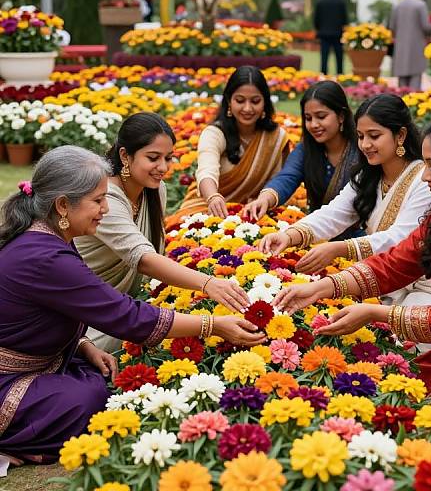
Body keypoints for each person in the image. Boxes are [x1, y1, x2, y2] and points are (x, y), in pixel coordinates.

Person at [0, 146, 266, 466]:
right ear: (62, 206)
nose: (105, 209)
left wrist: (84, 346)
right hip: (9, 379)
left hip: (40, 363)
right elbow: (126, 316)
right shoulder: (45, 255)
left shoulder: (49, 237)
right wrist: (213, 325)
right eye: (98, 200)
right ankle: (15, 442)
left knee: (103, 376)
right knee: (90, 401)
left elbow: (56, 308)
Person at [273, 110, 431, 463]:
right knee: (385, 399)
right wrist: (323, 288)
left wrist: (374, 313)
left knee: (414, 426)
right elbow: (395, 263)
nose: (426, 177)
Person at [75, 113, 250, 352]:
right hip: (91, 311)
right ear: (125, 155)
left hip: (133, 303)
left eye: (168, 158)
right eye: (153, 158)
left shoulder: (156, 191)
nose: (164, 168)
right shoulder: (105, 199)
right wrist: (208, 283)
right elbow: (144, 259)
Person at [259, 94, 431, 307]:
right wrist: (289, 236)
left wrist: (339, 248)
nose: (365, 144)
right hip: (382, 281)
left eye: (374, 136)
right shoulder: (368, 176)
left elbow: (400, 238)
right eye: (360, 136)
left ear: (400, 135)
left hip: (424, 288)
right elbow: (334, 212)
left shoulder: (424, 179)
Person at [166, 65, 289, 226]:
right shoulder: (214, 133)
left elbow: (277, 183)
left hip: (254, 213)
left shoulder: (276, 138)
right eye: (240, 100)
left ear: (265, 102)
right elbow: (206, 171)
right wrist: (213, 197)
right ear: (229, 101)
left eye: (255, 101)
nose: (247, 108)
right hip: (206, 210)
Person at [243, 81, 361, 239]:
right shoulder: (306, 149)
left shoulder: (362, 150)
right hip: (315, 234)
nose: (314, 125)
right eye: (308, 118)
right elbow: (287, 177)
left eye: (321, 116)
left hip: (359, 237)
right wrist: (265, 199)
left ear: (341, 116)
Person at [389, 0, 431, 90]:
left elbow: (392, 26)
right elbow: (426, 26)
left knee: (402, 80)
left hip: (401, 46)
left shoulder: (397, 5)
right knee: (415, 77)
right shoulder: (420, 5)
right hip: (416, 45)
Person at [314, 0, 348, 75]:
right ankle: (340, 75)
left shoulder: (320, 1)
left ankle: (323, 76)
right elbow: (344, 19)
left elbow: (316, 19)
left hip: (324, 34)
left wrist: (318, 29)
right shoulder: (340, 1)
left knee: (324, 57)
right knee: (339, 57)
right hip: (337, 33)